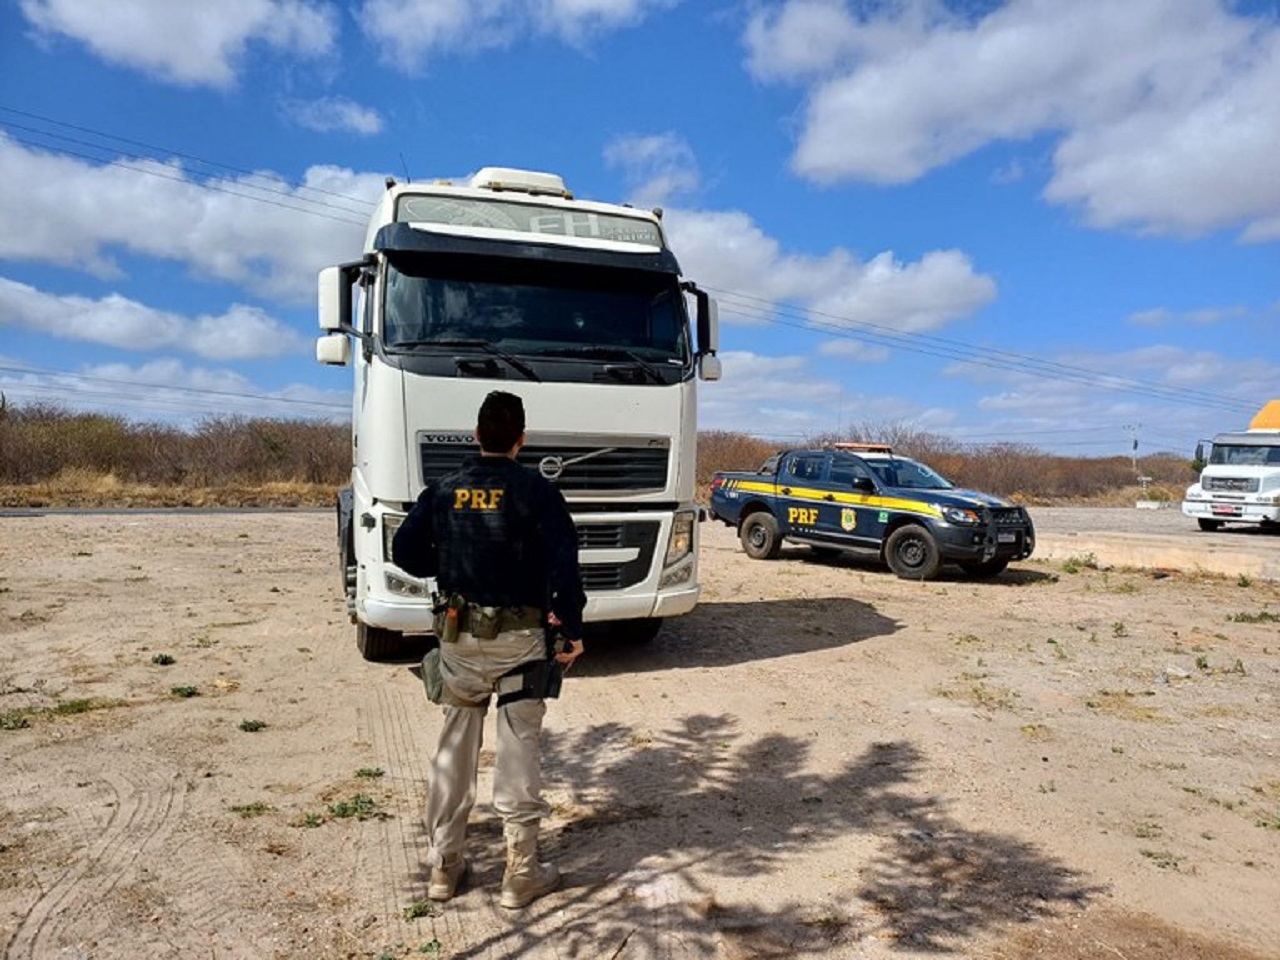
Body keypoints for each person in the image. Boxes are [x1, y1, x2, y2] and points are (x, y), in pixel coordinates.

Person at [392, 390, 585, 910]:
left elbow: (404, 551)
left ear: (477, 436)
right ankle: (520, 874)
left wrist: (449, 561)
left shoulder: (445, 489)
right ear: (521, 440)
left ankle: (443, 868)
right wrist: (571, 627)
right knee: (519, 750)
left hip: (460, 643)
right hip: (522, 644)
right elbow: (565, 565)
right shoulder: (537, 492)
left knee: (454, 749)